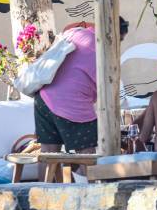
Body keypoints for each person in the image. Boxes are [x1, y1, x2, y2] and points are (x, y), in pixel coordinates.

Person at [35, 17, 129, 159]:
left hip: (43, 98)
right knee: (87, 154)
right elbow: (109, 88)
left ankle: (44, 181)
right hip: (71, 104)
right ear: (113, 34)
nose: (118, 45)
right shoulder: (103, 50)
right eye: (119, 40)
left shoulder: (76, 32)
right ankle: (88, 180)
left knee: (48, 153)